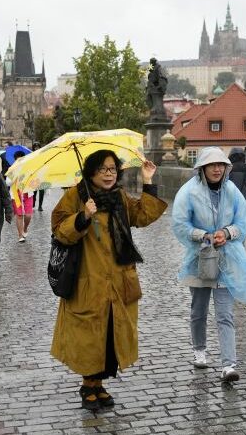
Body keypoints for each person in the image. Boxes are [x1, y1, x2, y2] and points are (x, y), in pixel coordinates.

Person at [51, 151, 166, 410]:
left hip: (118, 278)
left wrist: (148, 182)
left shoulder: (119, 197)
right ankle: (88, 385)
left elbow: (142, 216)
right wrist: (83, 216)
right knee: (90, 336)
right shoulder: (75, 196)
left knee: (110, 335)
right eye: (103, 169)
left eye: (113, 169)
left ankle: (99, 384)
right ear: (91, 171)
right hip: (88, 279)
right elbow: (60, 231)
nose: (109, 174)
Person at [171, 147, 246, 383]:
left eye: (220, 165)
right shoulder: (188, 192)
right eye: (212, 165)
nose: (217, 169)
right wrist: (203, 235)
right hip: (199, 259)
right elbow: (180, 224)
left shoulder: (232, 191)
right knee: (198, 310)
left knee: (225, 314)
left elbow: (242, 222)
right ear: (203, 168)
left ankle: (228, 365)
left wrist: (227, 233)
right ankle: (199, 350)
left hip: (227, 259)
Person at [11, 151, 33, 242]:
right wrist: (15, 178)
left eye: (21, 159)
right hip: (16, 195)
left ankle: (25, 228)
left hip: (28, 194)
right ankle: (20, 235)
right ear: (15, 160)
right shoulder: (12, 169)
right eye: (18, 159)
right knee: (19, 215)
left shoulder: (29, 168)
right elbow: (8, 182)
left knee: (28, 216)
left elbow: (34, 180)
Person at [32, 142, 45, 211]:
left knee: (42, 191)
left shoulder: (43, 155)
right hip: (34, 175)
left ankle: (40, 205)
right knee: (34, 191)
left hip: (42, 175)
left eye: (38, 147)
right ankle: (33, 202)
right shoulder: (31, 155)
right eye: (35, 147)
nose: (36, 148)